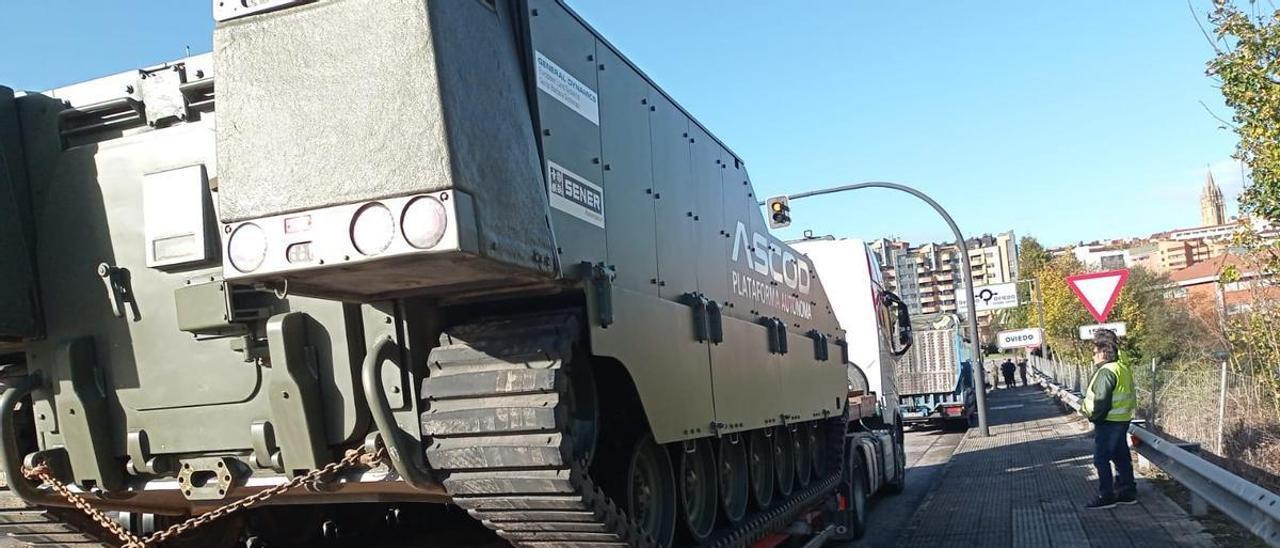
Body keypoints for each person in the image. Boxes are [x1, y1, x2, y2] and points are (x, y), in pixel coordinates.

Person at [1082, 329, 1136, 509]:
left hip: (1108, 421)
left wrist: (1094, 418)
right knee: (1120, 456)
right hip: (1122, 419)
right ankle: (1127, 491)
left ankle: (1106, 495)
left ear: (1103, 351)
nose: (1093, 356)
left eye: (1095, 351)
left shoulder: (1106, 371)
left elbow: (1101, 400)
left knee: (1101, 459)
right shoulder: (1122, 367)